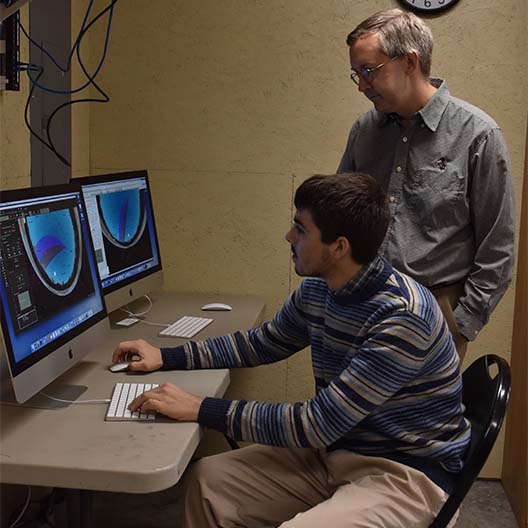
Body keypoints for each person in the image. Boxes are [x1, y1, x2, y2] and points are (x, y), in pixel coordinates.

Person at [113, 173, 470, 528]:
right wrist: (167, 356)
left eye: (300, 229)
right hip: (339, 452)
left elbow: (317, 424)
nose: (289, 236)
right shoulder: (321, 287)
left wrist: (199, 408)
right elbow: (263, 343)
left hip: (406, 473)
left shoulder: (402, 317)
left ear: (339, 247)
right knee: (208, 482)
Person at [338, 9, 515, 360]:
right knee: (345, 413)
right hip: (359, 305)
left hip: (436, 314)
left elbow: (498, 246)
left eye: (369, 72)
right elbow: (339, 216)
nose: (361, 86)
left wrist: (461, 324)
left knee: (416, 417)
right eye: (356, 74)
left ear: (409, 62)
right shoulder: (364, 130)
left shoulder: (478, 135)